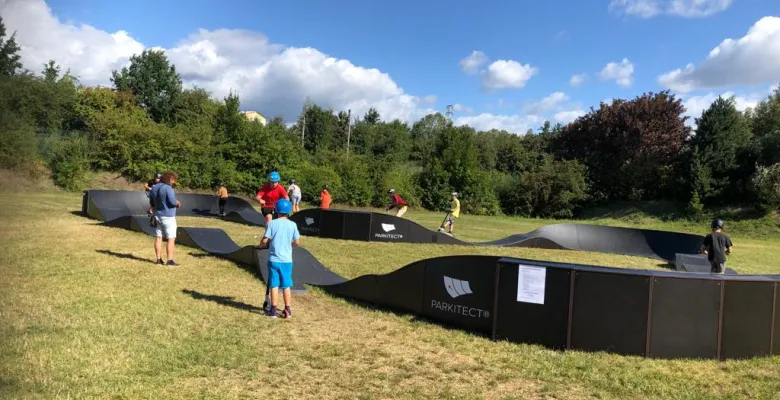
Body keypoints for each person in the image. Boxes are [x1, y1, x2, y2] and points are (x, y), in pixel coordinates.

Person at [259, 199, 300, 319]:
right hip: (287, 260)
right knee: (286, 286)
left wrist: (261, 245)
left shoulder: (272, 223)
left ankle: (273, 311)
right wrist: (289, 246)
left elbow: (265, 240)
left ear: (276, 211)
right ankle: (287, 310)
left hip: (273, 259)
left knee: (274, 285)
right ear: (288, 211)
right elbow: (297, 242)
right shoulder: (293, 225)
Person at [149, 171, 181, 267]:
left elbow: (152, 202)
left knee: (158, 237)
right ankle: (170, 261)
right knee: (171, 238)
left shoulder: (154, 188)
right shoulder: (168, 188)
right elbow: (172, 202)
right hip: (168, 216)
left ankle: (158, 260)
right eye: (173, 180)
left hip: (157, 215)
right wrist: (178, 203)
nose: (174, 182)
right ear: (170, 179)